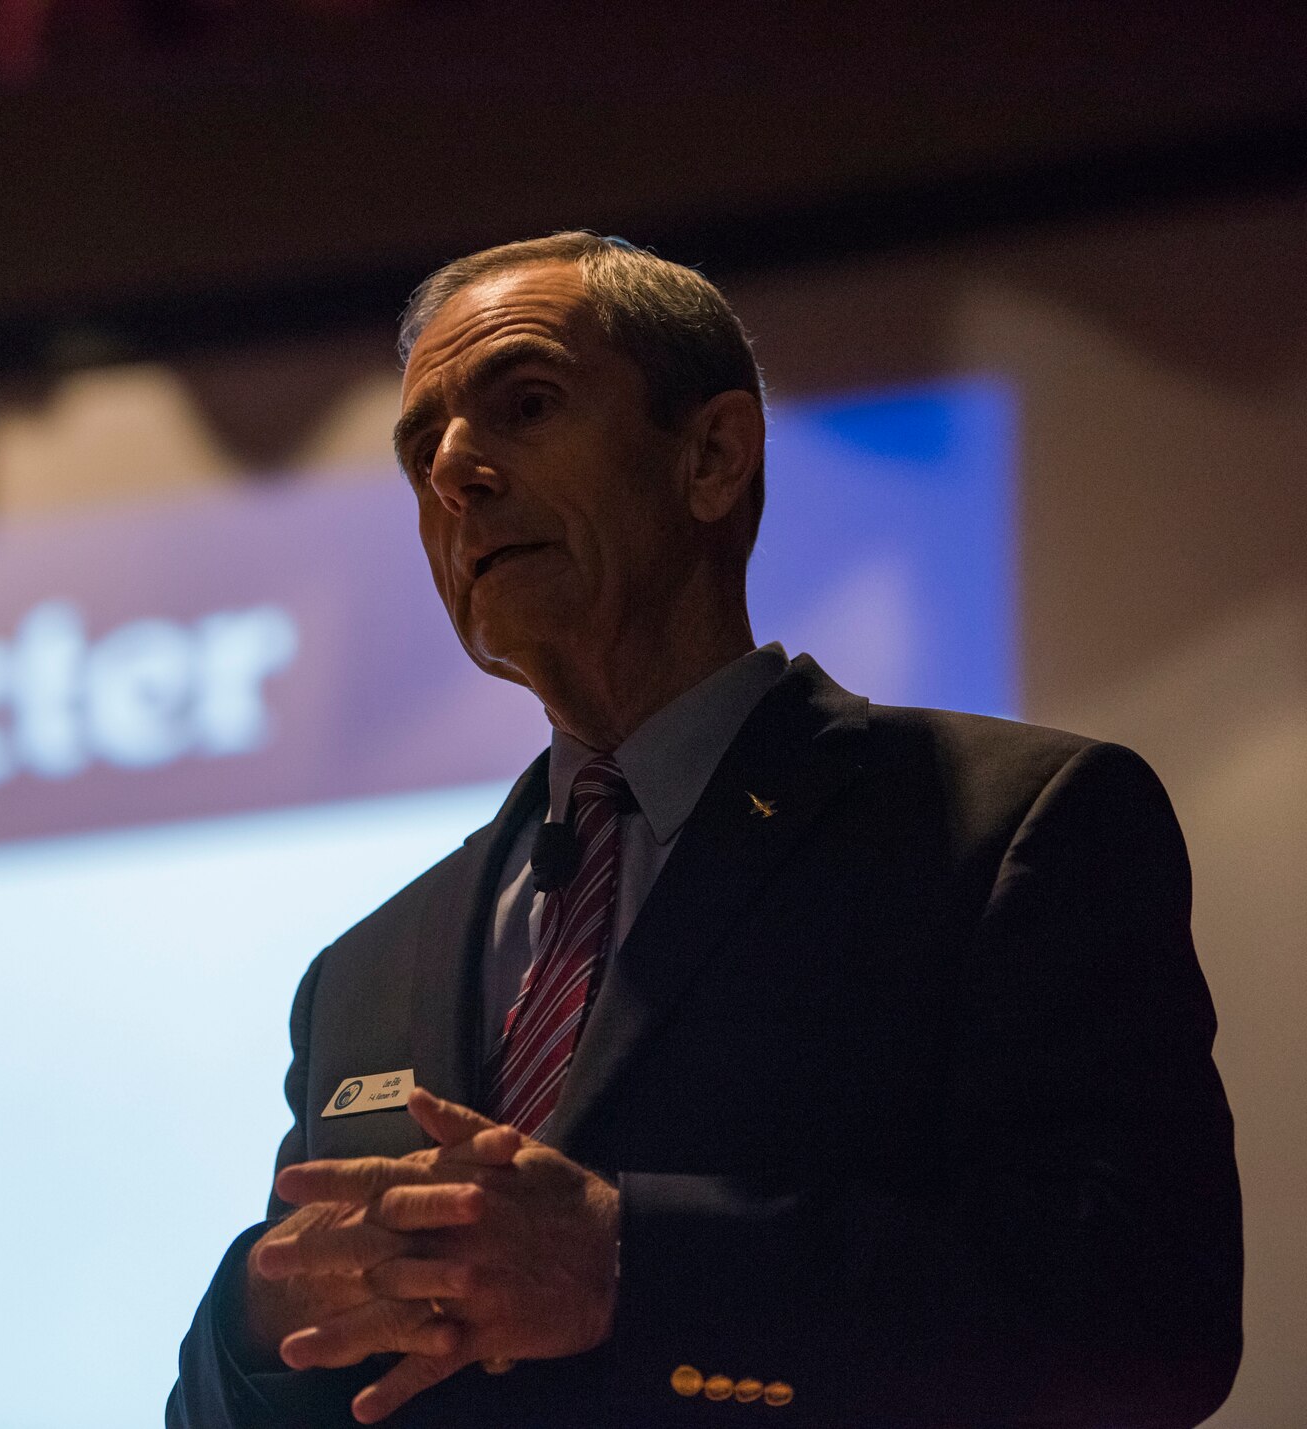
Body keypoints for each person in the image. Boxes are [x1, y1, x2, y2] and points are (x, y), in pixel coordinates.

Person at [166, 233, 1241, 1427]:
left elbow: (1148, 1325)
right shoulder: (363, 971)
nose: (455, 470)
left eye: (523, 405)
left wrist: (632, 1264)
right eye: (422, 449)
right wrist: (254, 1321)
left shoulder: (1006, 828)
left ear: (713, 455)